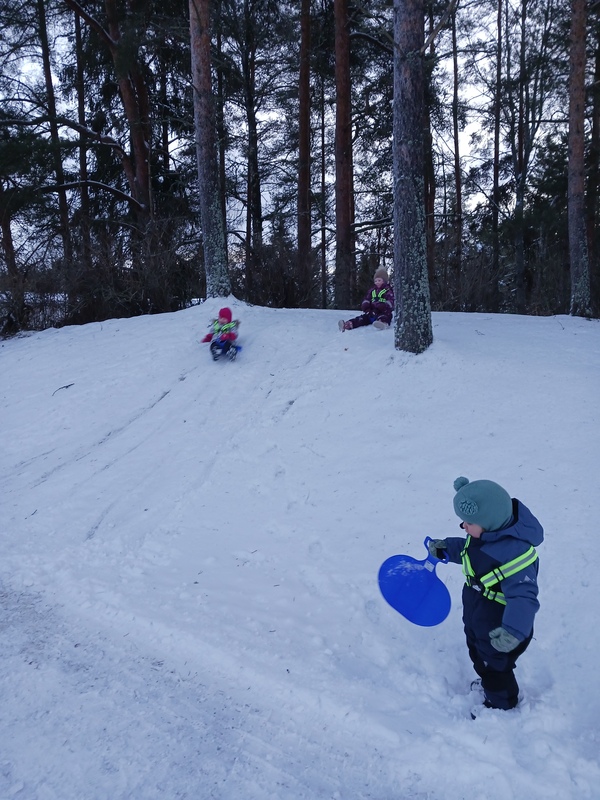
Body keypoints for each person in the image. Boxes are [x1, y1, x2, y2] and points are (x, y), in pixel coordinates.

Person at [428, 476, 543, 715]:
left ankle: (502, 703)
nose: (463, 526)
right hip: (479, 613)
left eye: (469, 522)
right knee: (478, 652)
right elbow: (468, 551)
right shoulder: (486, 536)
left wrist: (513, 631)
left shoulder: (514, 555)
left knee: (496, 667)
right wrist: (446, 548)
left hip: (501, 625)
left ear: (488, 522)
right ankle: (490, 683)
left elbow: (524, 598)